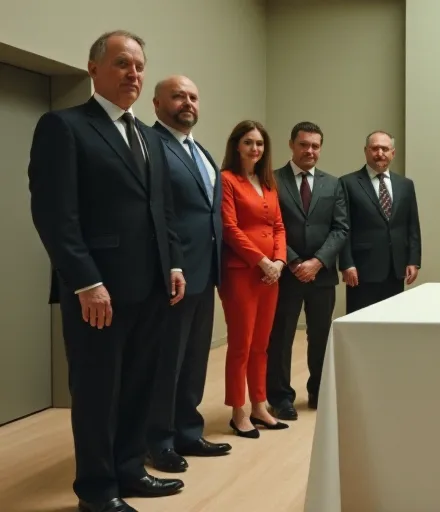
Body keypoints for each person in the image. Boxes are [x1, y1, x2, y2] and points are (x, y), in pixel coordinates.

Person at [27, 30, 186, 511]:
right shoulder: (65, 126)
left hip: (153, 286)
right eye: (121, 64)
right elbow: (55, 215)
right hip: (98, 293)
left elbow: (164, 210)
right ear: (94, 69)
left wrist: (174, 261)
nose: (133, 73)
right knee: (97, 393)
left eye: (139, 66)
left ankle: (129, 470)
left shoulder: (150, 137)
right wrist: (85, 281)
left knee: (140, 384)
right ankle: (97, 492)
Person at [147, 75, 232, 473]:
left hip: (206, 273)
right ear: (157, 103)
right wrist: (173, 263)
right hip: (174, 274)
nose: (188, 103)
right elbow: (159, 215)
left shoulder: (201, 151)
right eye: (178, 96)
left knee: (194, 359)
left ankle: (187, 430)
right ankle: (158, 441)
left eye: (194, 97)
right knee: (168, 361)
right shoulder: (152, 145)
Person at [267, 121, 349, 420]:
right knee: (281, 337)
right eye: (304, 144)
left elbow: (341, 229)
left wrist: (317, 262)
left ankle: (318, 391)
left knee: (320, 335)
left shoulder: (333, 184)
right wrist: (292, 261)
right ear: (292, 144)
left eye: (315, 145)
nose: (309, 150)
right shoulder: (273, 180)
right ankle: (280, 397)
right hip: (285, 273)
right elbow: (270, 226)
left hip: (321, 274)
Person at [219, 120, 290, 437]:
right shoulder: (227, 180)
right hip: (241, 274)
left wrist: (278, 260)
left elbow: (278, 227)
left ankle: (260, 405)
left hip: (270, 276)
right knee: (241, 345)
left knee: (262, 344)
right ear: (237, 145)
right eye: (249, 142)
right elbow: (230, 229)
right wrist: (261, 260)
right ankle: (238, 410)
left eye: (260, 144)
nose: (255, 149)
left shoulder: (269, 184)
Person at [338, 130, 422, 313]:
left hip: (396, 267)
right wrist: (346, 263)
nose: (380, 153)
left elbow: (412, 226)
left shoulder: (405, 185)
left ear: (393, 152)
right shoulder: (348, 183)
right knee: (360, 323)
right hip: (361, 270)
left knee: (392, 322)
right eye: (375, 148)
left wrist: (413, 260)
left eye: (385, 148)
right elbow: (343, 228)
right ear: (366, 151)